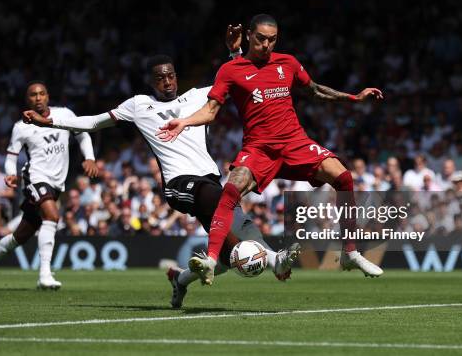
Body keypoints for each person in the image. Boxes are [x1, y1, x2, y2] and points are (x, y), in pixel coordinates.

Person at [23, 28, 300, 308]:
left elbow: (239, 78)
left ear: (176, 76)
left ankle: (180, 279)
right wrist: (50, 122)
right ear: (152, 82)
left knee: (232, 255)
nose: (167, 82)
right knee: (223, 198)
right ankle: (275, 259)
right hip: (180, 185)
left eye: (170, 76)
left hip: (210, 181)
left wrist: (235, 53)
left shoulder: (199, 96)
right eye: (160, 78)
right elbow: (94, 122)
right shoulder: (139, 105)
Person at [157, 14, 384, 285]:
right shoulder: (231, 70)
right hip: (259, 149)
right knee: (230, 190)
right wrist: (184, 122)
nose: (267, 44)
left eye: (272, 39)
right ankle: (211, 259)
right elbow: (210, 110)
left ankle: (349, 253)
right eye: (262, 38)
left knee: (344, 177)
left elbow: (313, 90)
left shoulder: (287, 63)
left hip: (294, 142)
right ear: (250, 36)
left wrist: (353, 97)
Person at [0, 81, 97, 289]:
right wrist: (10, 174)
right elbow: (10, 157)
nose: (38, 98)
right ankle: (44, 275)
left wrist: (89, 157)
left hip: (57, 184)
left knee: (19, 236)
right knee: (52, 216)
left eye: (42, 94)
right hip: (35, 177)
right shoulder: (21, 127)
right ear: (28, 100)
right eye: (33, 95)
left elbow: (83, 134)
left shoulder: (65, 115)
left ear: (48, 96)